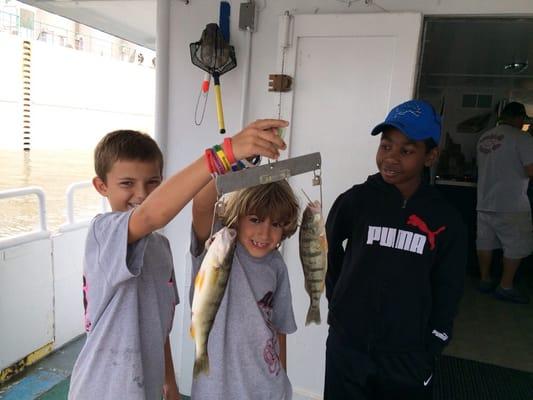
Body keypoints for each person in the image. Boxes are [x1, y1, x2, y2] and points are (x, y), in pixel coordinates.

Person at [67, 119, 288, 400]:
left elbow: (159, 325)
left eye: (152, 182)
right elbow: (150, 214)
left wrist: (170, 382)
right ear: (101, 186)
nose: (142, 194)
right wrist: (225, 153)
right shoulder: (104, 233)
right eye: (127, 183)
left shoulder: (160, 248)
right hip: (101, 389)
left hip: (146, 388)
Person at [324, 99, 467, 400]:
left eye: (407, 150)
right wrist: (338, 303)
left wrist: (433, 343)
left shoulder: (446, 218)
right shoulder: (355, 201)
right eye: (386, 146)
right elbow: (328, 251)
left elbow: (449, 286)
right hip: (348, 348)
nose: (391, 158)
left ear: (430, 156)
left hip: (407, 355)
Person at [190, 178, 299, 399]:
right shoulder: (220, 242)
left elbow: (279, 329)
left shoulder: (277, 265)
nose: (265, 233)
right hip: (217, 388)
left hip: (269, 387)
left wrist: (283, 378)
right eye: (256, 219)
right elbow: (201, 205)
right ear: (237, 217)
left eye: (276, 224)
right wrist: (234, 161)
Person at [476, 101, 533, 304]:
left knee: (485, 242)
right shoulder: (522, 138)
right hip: (511, 203)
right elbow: (531, 170)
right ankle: (505, 286)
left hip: (484, 200)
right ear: (519, 118)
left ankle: (484, 279)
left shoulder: (484, 137)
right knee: (516, 245)